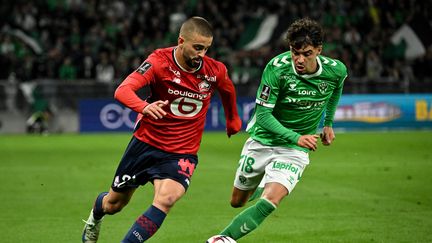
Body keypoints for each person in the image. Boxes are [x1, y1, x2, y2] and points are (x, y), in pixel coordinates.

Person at [82, 16, 242, 243]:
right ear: (181, 41)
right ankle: (95, 216)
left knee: (166, 199)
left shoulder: (214, 70)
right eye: (197, 48)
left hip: (182, 152)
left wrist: (232, 119)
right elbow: (123, 90)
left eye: (206, 49)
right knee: (114, 204)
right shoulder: (158, 62)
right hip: (146, 144)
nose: (202, 55)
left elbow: (228, 90)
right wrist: (144, 107)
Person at [214, 17, 348, 241]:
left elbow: (336, 89)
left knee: (271, 200)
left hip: (294, 150)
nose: (299, 59)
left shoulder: (336, 70)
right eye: (295, 52)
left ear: (319, 50)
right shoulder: (277, 69)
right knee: (237, 202)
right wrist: (296, 137)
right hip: (263, 140)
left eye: (307, 53)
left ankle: (222, 239)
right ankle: (262, 184)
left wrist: (329, 123)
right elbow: (264, 116)